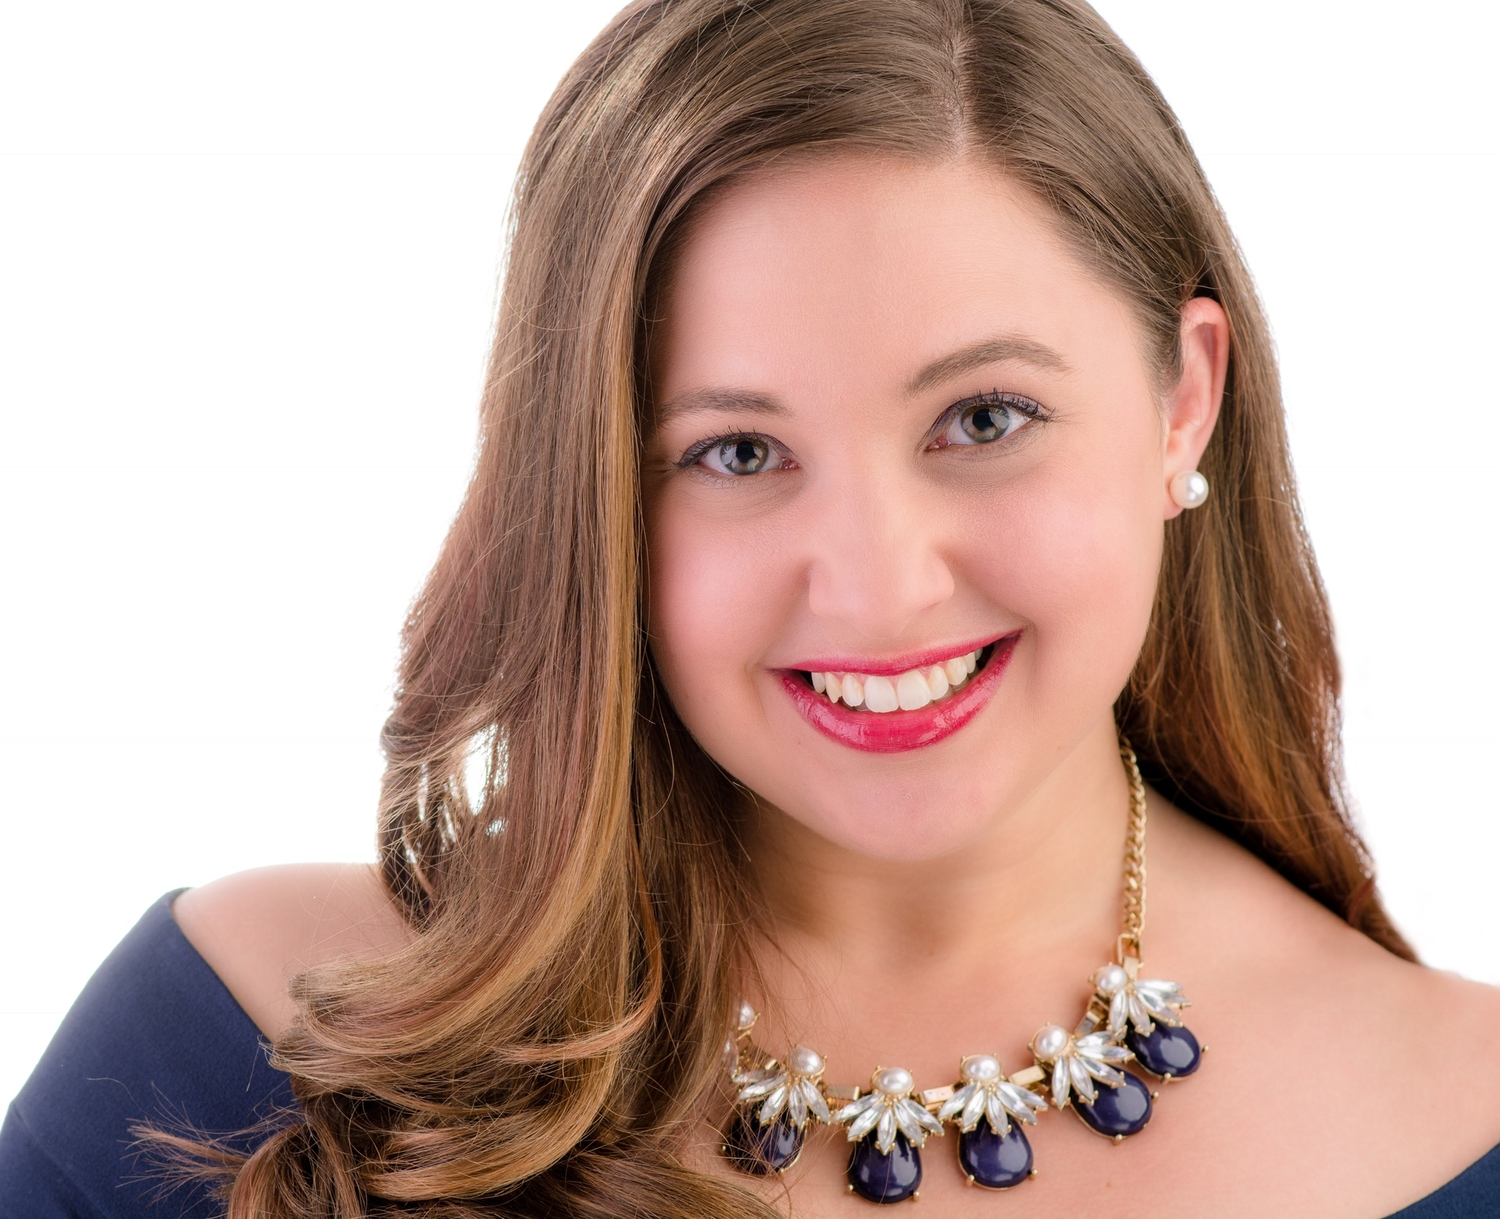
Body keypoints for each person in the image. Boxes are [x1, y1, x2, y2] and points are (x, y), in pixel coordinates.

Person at [4, 1, 1498, 1215]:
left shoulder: (1461, 1118)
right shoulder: (240, 1053)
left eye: (984, 419)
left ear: (1183, 403)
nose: (880, 585)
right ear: (596, 492)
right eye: (735, 451)